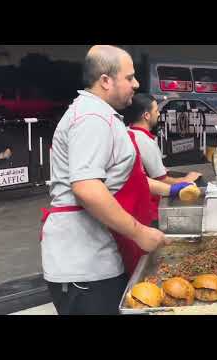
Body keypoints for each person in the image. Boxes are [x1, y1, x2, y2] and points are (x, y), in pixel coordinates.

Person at [40, 45, 195, 315]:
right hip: (84, 265)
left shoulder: (103, 116)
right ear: (105, 80)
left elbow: (126, 180)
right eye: (130, 77)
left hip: (98, 254)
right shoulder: (91, 119)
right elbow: (87, 188)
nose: (136, 84)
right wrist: (139, 232)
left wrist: (172, 189)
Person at [124, 93, 202, 226]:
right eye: (156, 111)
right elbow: (161, 179)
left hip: (131, 205)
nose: (159, 114)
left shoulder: (127, 131)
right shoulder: (144, 141)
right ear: (146, 115)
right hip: (149, 208)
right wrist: (185, 180)